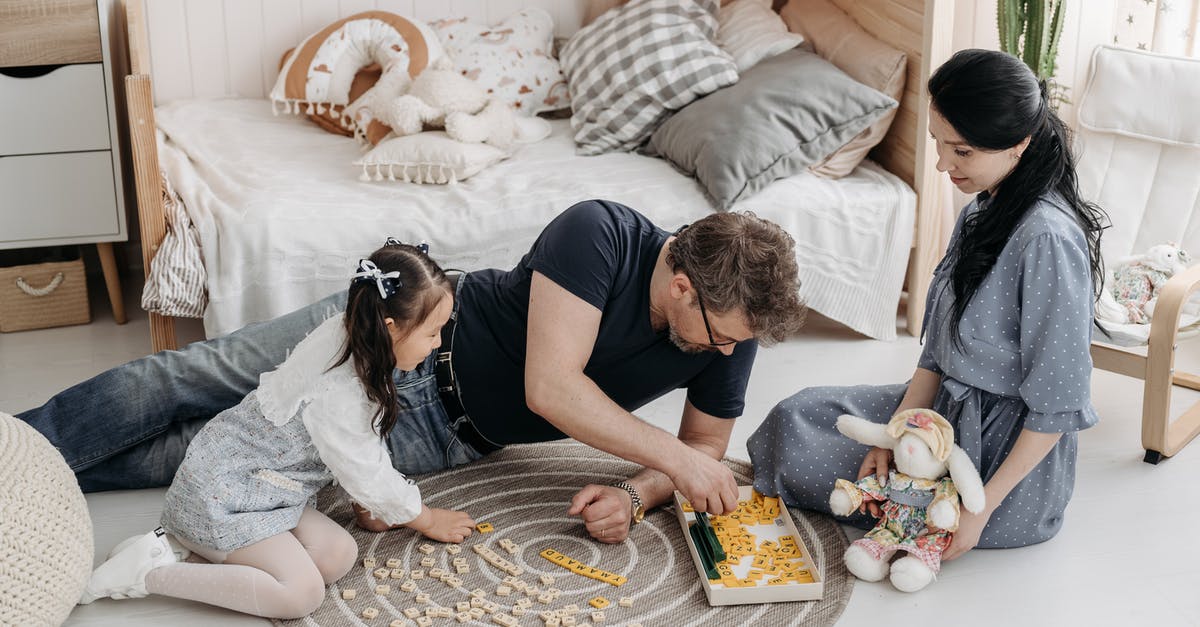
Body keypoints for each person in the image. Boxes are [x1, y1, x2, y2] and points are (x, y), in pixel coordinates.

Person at [20, 200, 806, 546]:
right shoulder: (600, 235)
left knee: (184, 453)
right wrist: (678, 459)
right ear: (681, 286)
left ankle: (27, 485)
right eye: (720, 336)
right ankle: (14, 446)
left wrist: (639, 491)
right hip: (399, 336)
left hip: (445, 434)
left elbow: (701, 447)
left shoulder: (734, 328)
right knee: (182, 380)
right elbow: (553, 388)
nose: (729, 354)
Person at [749, 49, 1108, 570]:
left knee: (832, 472)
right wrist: (897, 433)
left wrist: (980, 509)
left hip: (1002, 461)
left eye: (961, 151)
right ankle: (902, 482)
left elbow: (1057, 406)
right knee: (796, 417)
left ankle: (925, 516)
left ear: (1020, 144)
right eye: (940, 144)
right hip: (939, 416)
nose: (943, 165)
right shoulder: (984, 207)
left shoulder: (1048, 239)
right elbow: (937, 354)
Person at [76, 242, 476, 617]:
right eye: (431, 333)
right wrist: (425, 518)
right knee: (302, 593)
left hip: (266, 487)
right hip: (223, 496)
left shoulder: (352, 333)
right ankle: (146, 575)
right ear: (390, 327)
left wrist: (364, 503)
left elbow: (351, 451)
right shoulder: (341, 393)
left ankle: (185, 550)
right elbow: (365, 466)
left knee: (336, 555)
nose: (436, 344)